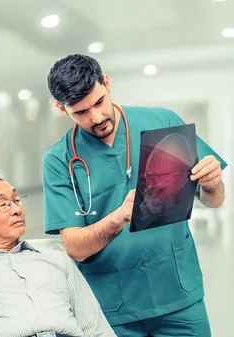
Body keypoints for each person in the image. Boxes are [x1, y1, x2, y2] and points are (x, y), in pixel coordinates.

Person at [42, 54, 227, 336]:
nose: (97, 117)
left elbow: (214, 200)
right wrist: (118, 218)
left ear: (106, 83)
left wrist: (213, 184)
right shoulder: (59, 160)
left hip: (178, 293)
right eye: (80, 112)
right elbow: (75, 248)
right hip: (112, 307)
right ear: (60, 108)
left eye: (99, 102)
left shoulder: (162, 122)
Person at [0, 172, 116, 337]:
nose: (17, 210)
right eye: (3, 204)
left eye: (17, 200)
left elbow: (96, 328)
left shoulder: (57, 259)